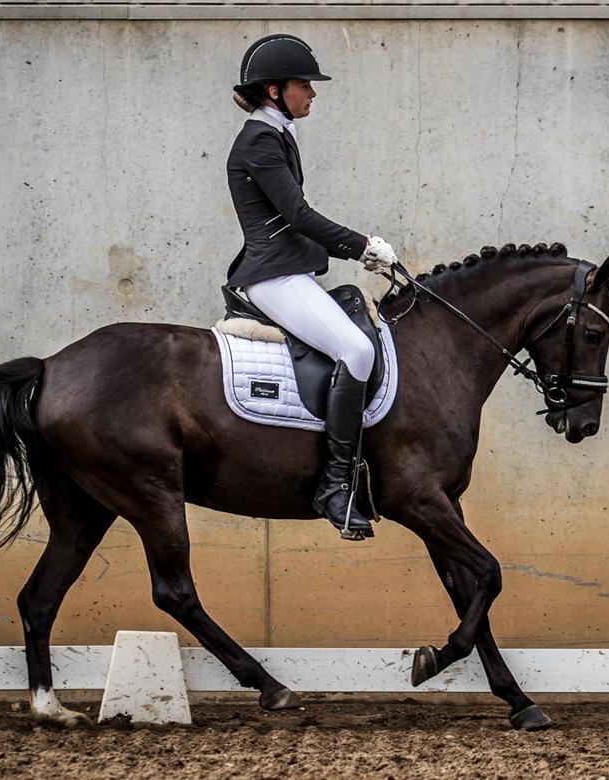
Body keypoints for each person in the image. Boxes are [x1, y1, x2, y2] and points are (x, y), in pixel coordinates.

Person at [225, 33, 397, 541]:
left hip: (290, 271)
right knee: (357, 350)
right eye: (304, 85)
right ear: (274, 91)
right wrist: (363, 247)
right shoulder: (259, 140)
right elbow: (297, 215)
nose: (312, 93)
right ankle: (335, 485)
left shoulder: (277, 133)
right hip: (273, 276)